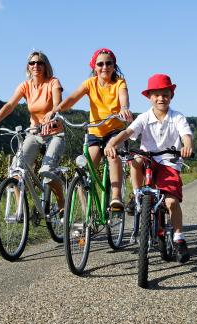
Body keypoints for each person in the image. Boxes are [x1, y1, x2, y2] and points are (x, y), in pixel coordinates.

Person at [104, 73, 194, 262]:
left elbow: (186, 135)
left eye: (165, 94)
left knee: (170, 202)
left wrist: (187, 146)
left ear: (171, 95)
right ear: (149, 97)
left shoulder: (177, 117)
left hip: (168, 162)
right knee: (135, 159)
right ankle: (136, 195)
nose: (161, 98)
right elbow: (128, 132)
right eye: (156, 95)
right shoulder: (144, 117)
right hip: (148, 161)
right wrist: (113, 143)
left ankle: (178, 238)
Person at [44, 48, 133, 210]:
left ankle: (116, 196)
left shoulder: (119, 82)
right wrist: (55, 110)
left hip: (115, 131)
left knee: (113, 155)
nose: (104, 67)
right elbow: (71, 99)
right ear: (94, 67)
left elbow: (123, 97)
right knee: (84, 172)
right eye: (100, 64)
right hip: (95, 132)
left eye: (108, 63)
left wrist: (124, 108)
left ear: (114, 65)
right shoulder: (90, 83)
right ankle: (87, 217)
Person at [0, 50, 65, 208]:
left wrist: (51, 113)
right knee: (16, 168)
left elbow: (57, 105)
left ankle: (62, 202)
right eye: (32, 63)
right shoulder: (25, 86)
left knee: (46, 171)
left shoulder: (53, 82)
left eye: (40, 62)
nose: (36, 66)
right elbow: (9, 105)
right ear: (28, 67)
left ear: (45, 65)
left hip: (54, 133)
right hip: (34, 133)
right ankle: (22, 208)